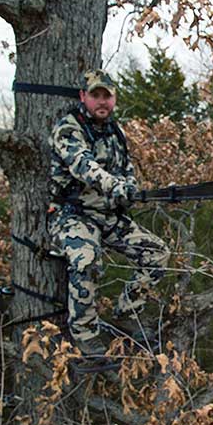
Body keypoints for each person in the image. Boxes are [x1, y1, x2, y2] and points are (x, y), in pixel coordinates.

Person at [48, 69, 170, 365]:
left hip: (108, 216)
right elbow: (83, 166)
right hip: (72, 215)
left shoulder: (116, 132)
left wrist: (129, 189)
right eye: (96, 95)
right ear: (83, 97)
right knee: (87, 258)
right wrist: (115, 186)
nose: (102, 101)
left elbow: (126, 170)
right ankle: (85, 332)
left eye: (107, 96)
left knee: (156, 253)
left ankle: (128, 313)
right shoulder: (68, 128)